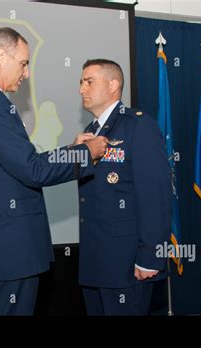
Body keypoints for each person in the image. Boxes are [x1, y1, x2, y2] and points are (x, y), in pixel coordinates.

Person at [0, 28, 108, 315]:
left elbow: (21, 163)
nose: (26, 73)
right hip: (10, 252)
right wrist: (86, 153)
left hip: (1, 251)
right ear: (0, 56)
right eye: (23, 63)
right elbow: (33, 170)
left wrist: (71, 148)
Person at [77, 59, 172, 315]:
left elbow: (155, 196)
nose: (81, 89)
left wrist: (151, 255)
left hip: (127, 264)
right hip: (95, 262)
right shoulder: (89, 132)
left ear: (113, 85)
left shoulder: (138, 126)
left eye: (89, 81)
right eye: (81, 82)